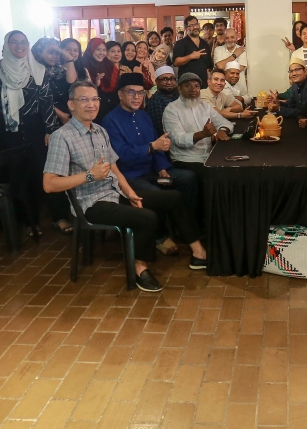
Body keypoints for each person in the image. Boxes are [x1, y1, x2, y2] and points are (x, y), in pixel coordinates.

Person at [43, 81, 206, 292]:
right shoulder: (61, 137)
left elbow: (113, 167)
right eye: (84, 99)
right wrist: (90, 176)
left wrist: (130, 193)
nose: (91, 104)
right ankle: (140, 270)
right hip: (90, 204)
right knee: (146, 217)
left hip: (114, 192)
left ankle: (199, 253)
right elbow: (49, 184)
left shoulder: (99, 130)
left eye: (94, 99)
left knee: (173, 197)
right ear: (71, 105)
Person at [102, 73, 207, 258]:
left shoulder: (143, 115)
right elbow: (122, 155)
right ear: (120, 94)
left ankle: (187, 228)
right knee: (158, 194)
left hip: (152, 170)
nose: (137, 97)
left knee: (188, 178)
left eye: (140, 93)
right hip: (129, 176)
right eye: (131, 92)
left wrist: (162, 167)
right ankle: (160, 236)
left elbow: (158, 143)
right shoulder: (110, 121)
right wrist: (151, 147)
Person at [0, 31, 65, 236]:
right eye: (14, 43)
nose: (19, 46)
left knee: (45, 174)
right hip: (9, 131)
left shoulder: (38, 70)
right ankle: (28, 222)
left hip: (36, 129)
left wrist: (50, 130)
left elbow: (46, 103)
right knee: (17, 178)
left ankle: (58, 217)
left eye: (23, 42)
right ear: (7, 45)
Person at [162, 73, 233, 183]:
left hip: (208, 155)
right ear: (179, 88)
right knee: (217, 175)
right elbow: (178, 139)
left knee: (231, 168)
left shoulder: (204, 106)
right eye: (188, 85)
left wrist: (222, 131)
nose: (193, 89)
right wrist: (203, 134)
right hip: (186, 159)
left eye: (196, 86)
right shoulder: (171, 109)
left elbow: (225, 123)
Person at [172, 16, 213, 83]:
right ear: (186, 28)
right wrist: (190, 56)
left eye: (196, 24)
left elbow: (207, 67)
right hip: (187, 84)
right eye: (191, 25)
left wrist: (209, 81)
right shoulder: (180, 43)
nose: (195, 27)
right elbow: (176, 62)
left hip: (203, 84)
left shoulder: (205, 44)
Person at [145, 66, 179, 136]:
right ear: (157, 82)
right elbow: (161, 130)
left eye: (172, 79)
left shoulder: (177, 96)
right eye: (165, 79)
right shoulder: (155, 102)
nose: (169, 82)